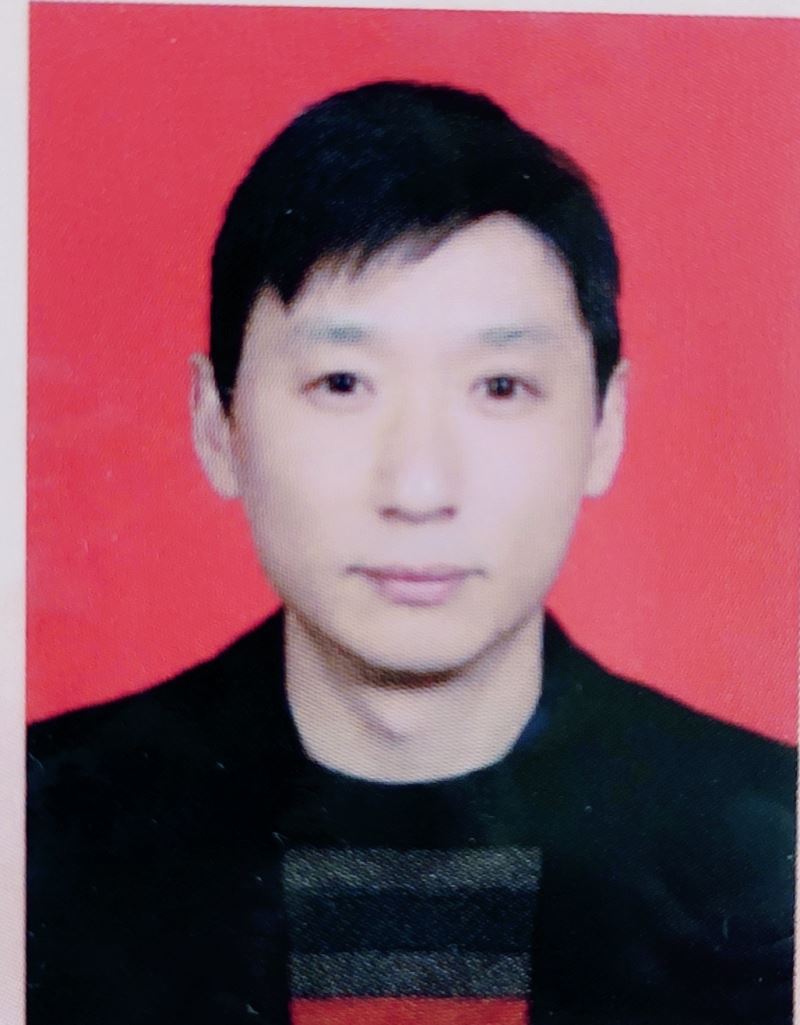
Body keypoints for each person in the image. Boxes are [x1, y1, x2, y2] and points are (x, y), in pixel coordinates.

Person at [27, 81, 795, 1025]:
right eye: (342, 382)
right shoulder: (38, 824)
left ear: (605, 424)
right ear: (216, 424)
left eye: (500, 385)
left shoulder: (773, 839)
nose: (419, 487)